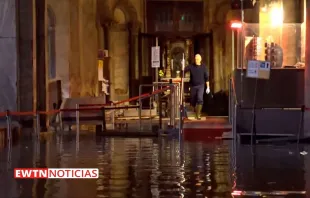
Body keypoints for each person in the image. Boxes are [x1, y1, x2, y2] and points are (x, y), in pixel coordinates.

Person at [183, 54, 210, 120]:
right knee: (193, 100)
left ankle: (198, 115)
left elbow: (206, 78)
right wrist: (183, 65)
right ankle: (195, 111)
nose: (196, 60)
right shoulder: (191, 66)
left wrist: (208, 87)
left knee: (200, 99)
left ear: (200, 59)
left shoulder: (204, 67)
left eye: (197, 59)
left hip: (201, 85)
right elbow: (184, 70)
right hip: (193, 86)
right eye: (195, 59)